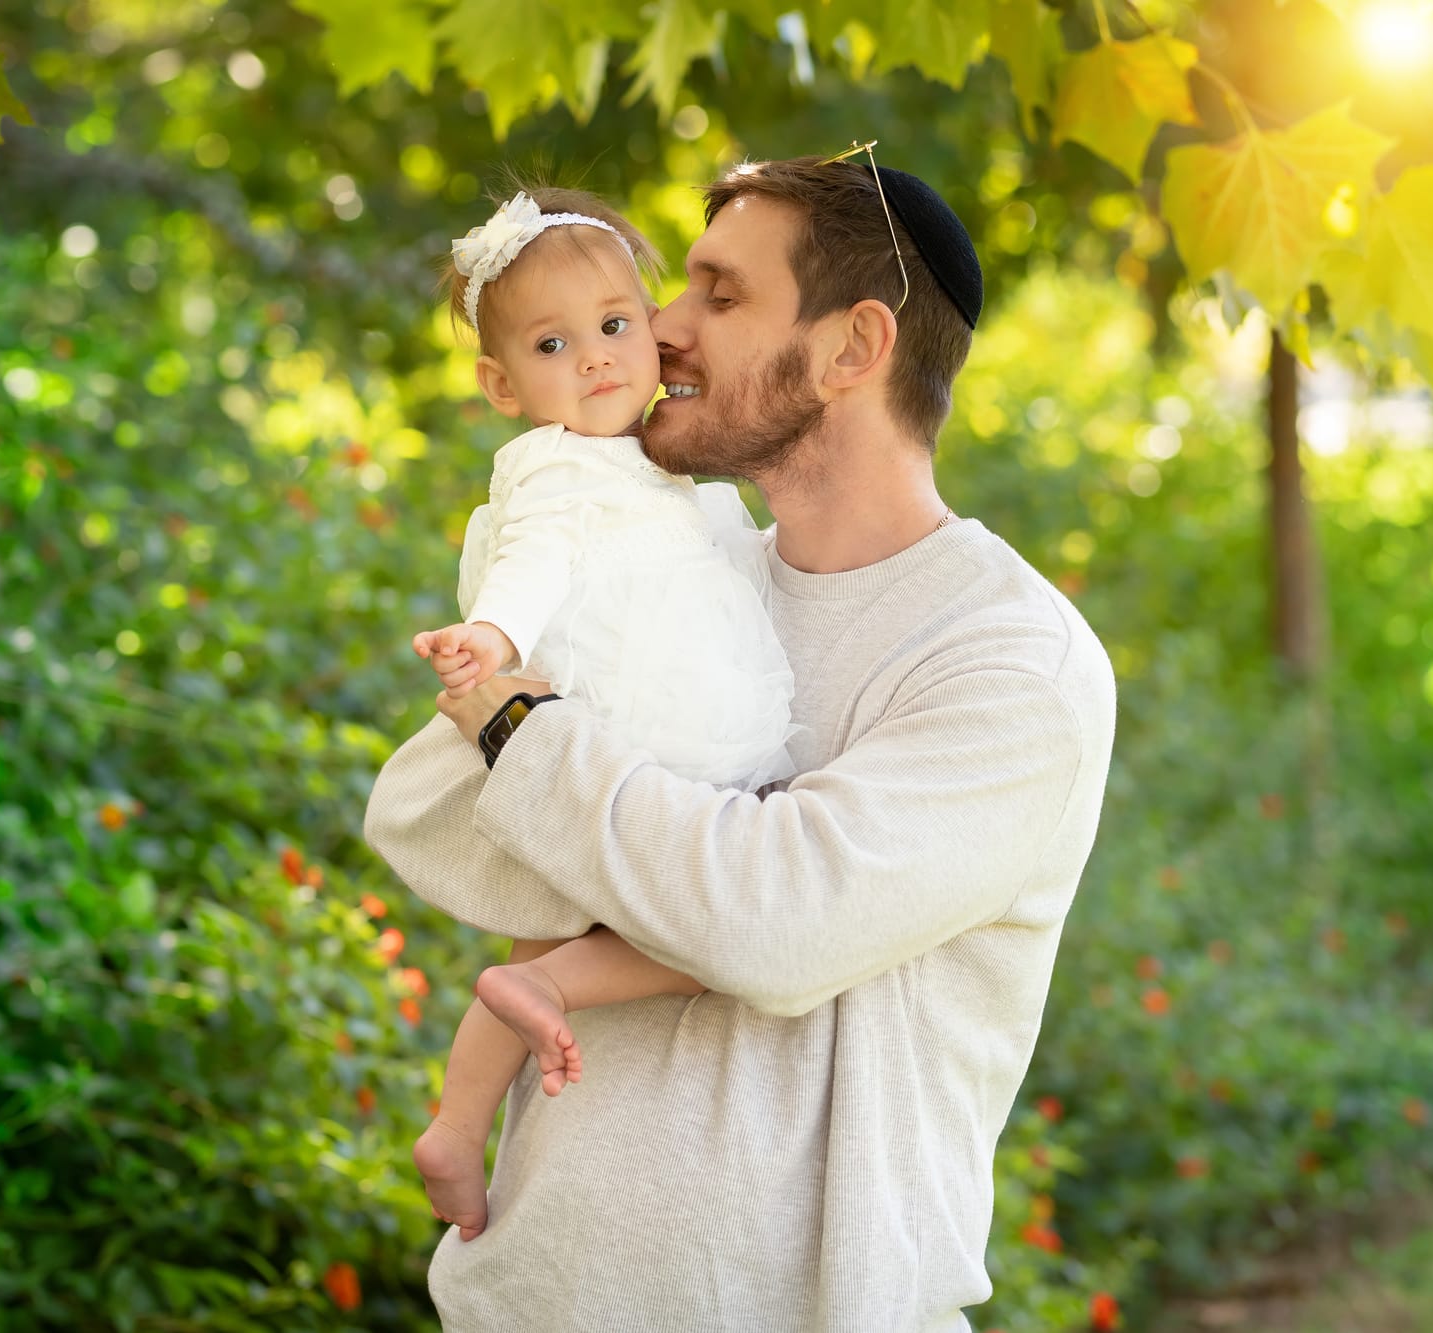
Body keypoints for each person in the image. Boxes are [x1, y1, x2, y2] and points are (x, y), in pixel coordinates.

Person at [364, 146, 1116, 1331]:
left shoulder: (1009, 661)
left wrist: (524, 728)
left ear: (851, 349)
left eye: (718, 295)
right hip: (529, 1299)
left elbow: (772, 920)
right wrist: (551, 758)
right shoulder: (683, 582)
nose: (657, 327)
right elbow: (429, 815)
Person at [404, 185, 801, 1243]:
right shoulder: (551, 466)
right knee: (718, 915)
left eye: (615, 325)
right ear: (499, 384)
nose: (595, 358)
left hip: (660, 718)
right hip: (644, 727)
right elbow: (532, 559)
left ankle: (454, 1125)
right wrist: (488, 637)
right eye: (552, 343)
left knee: (542, 929)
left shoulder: (660, 453)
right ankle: (553, 995)